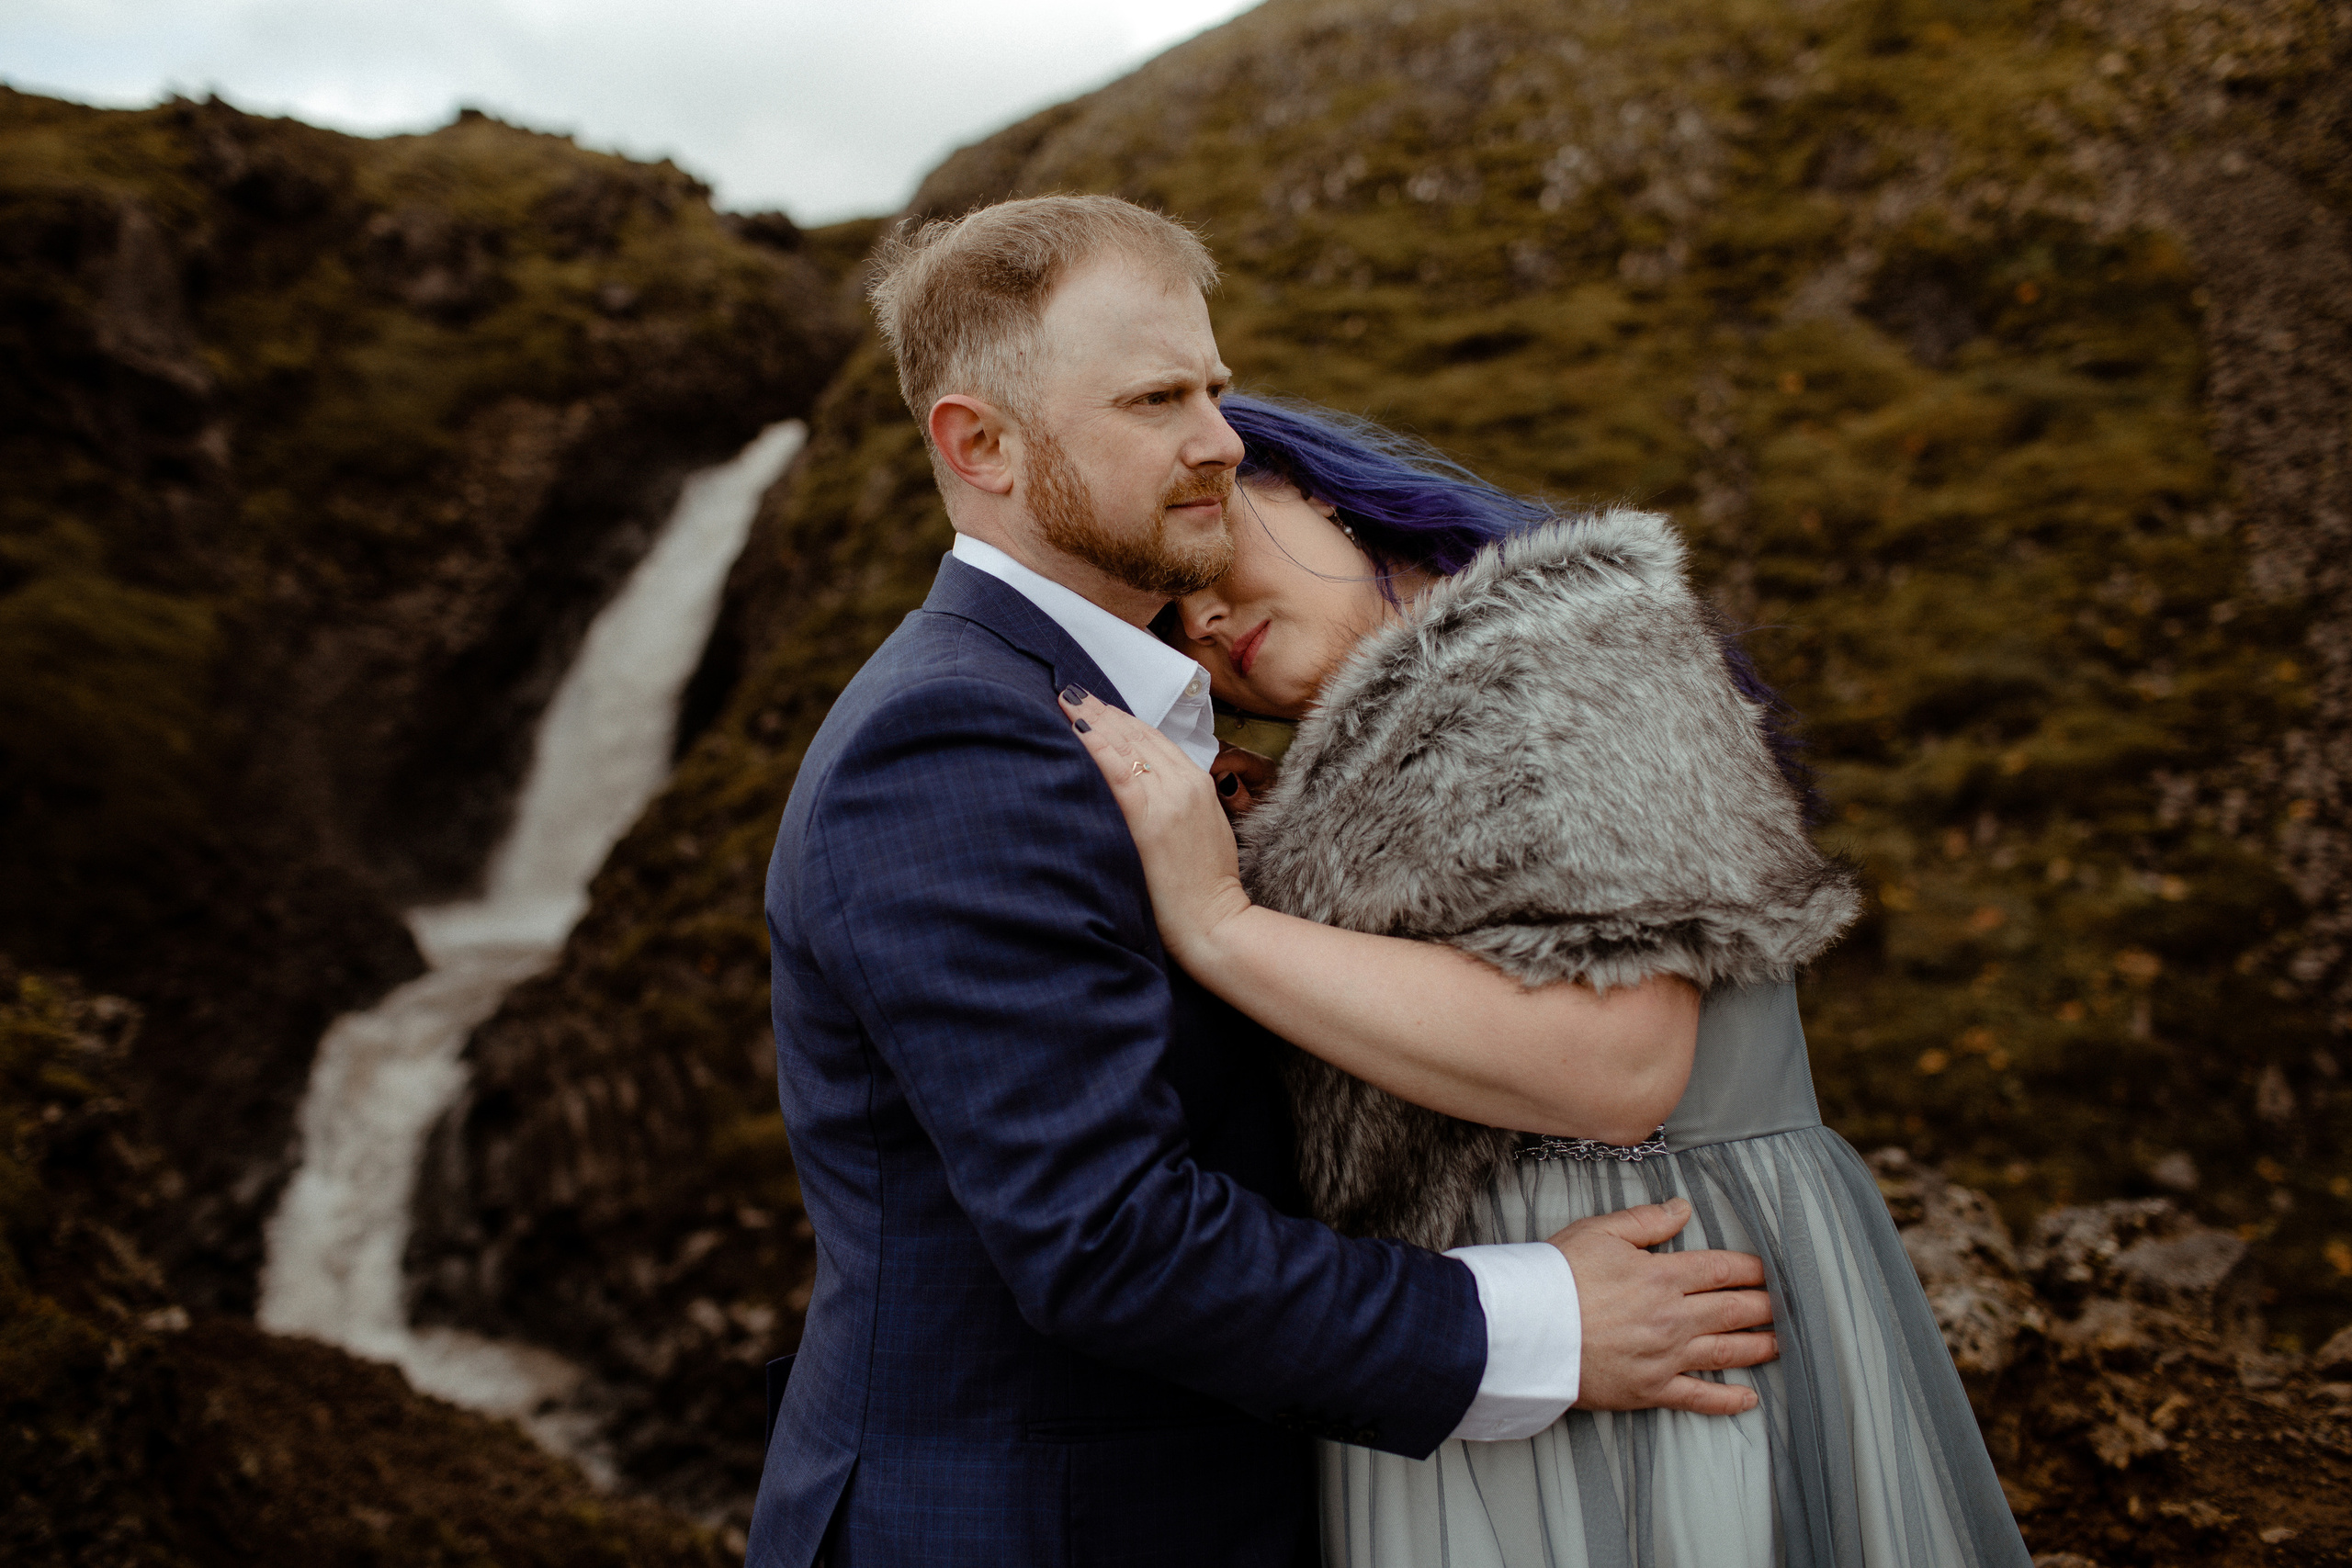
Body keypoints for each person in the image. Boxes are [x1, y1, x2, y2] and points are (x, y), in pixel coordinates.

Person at [751, 196, 1781, 1568]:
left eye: (1218, 390)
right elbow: (1106, 1234)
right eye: (1157, 396)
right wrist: (1542, 1319)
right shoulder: (947, 736)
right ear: (978, 442)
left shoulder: (1140, 722)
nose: (1220, 441)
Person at [1057, 392, 2035, 1567]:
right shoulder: (1379, 742)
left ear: (1309, 487)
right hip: (1490, 1338)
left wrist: (1219, 922)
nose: (1203, 620)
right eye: (1165, 627)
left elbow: (1618, 1064)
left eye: (1209, 549)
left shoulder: (1566, 644)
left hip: (1662, 1295)